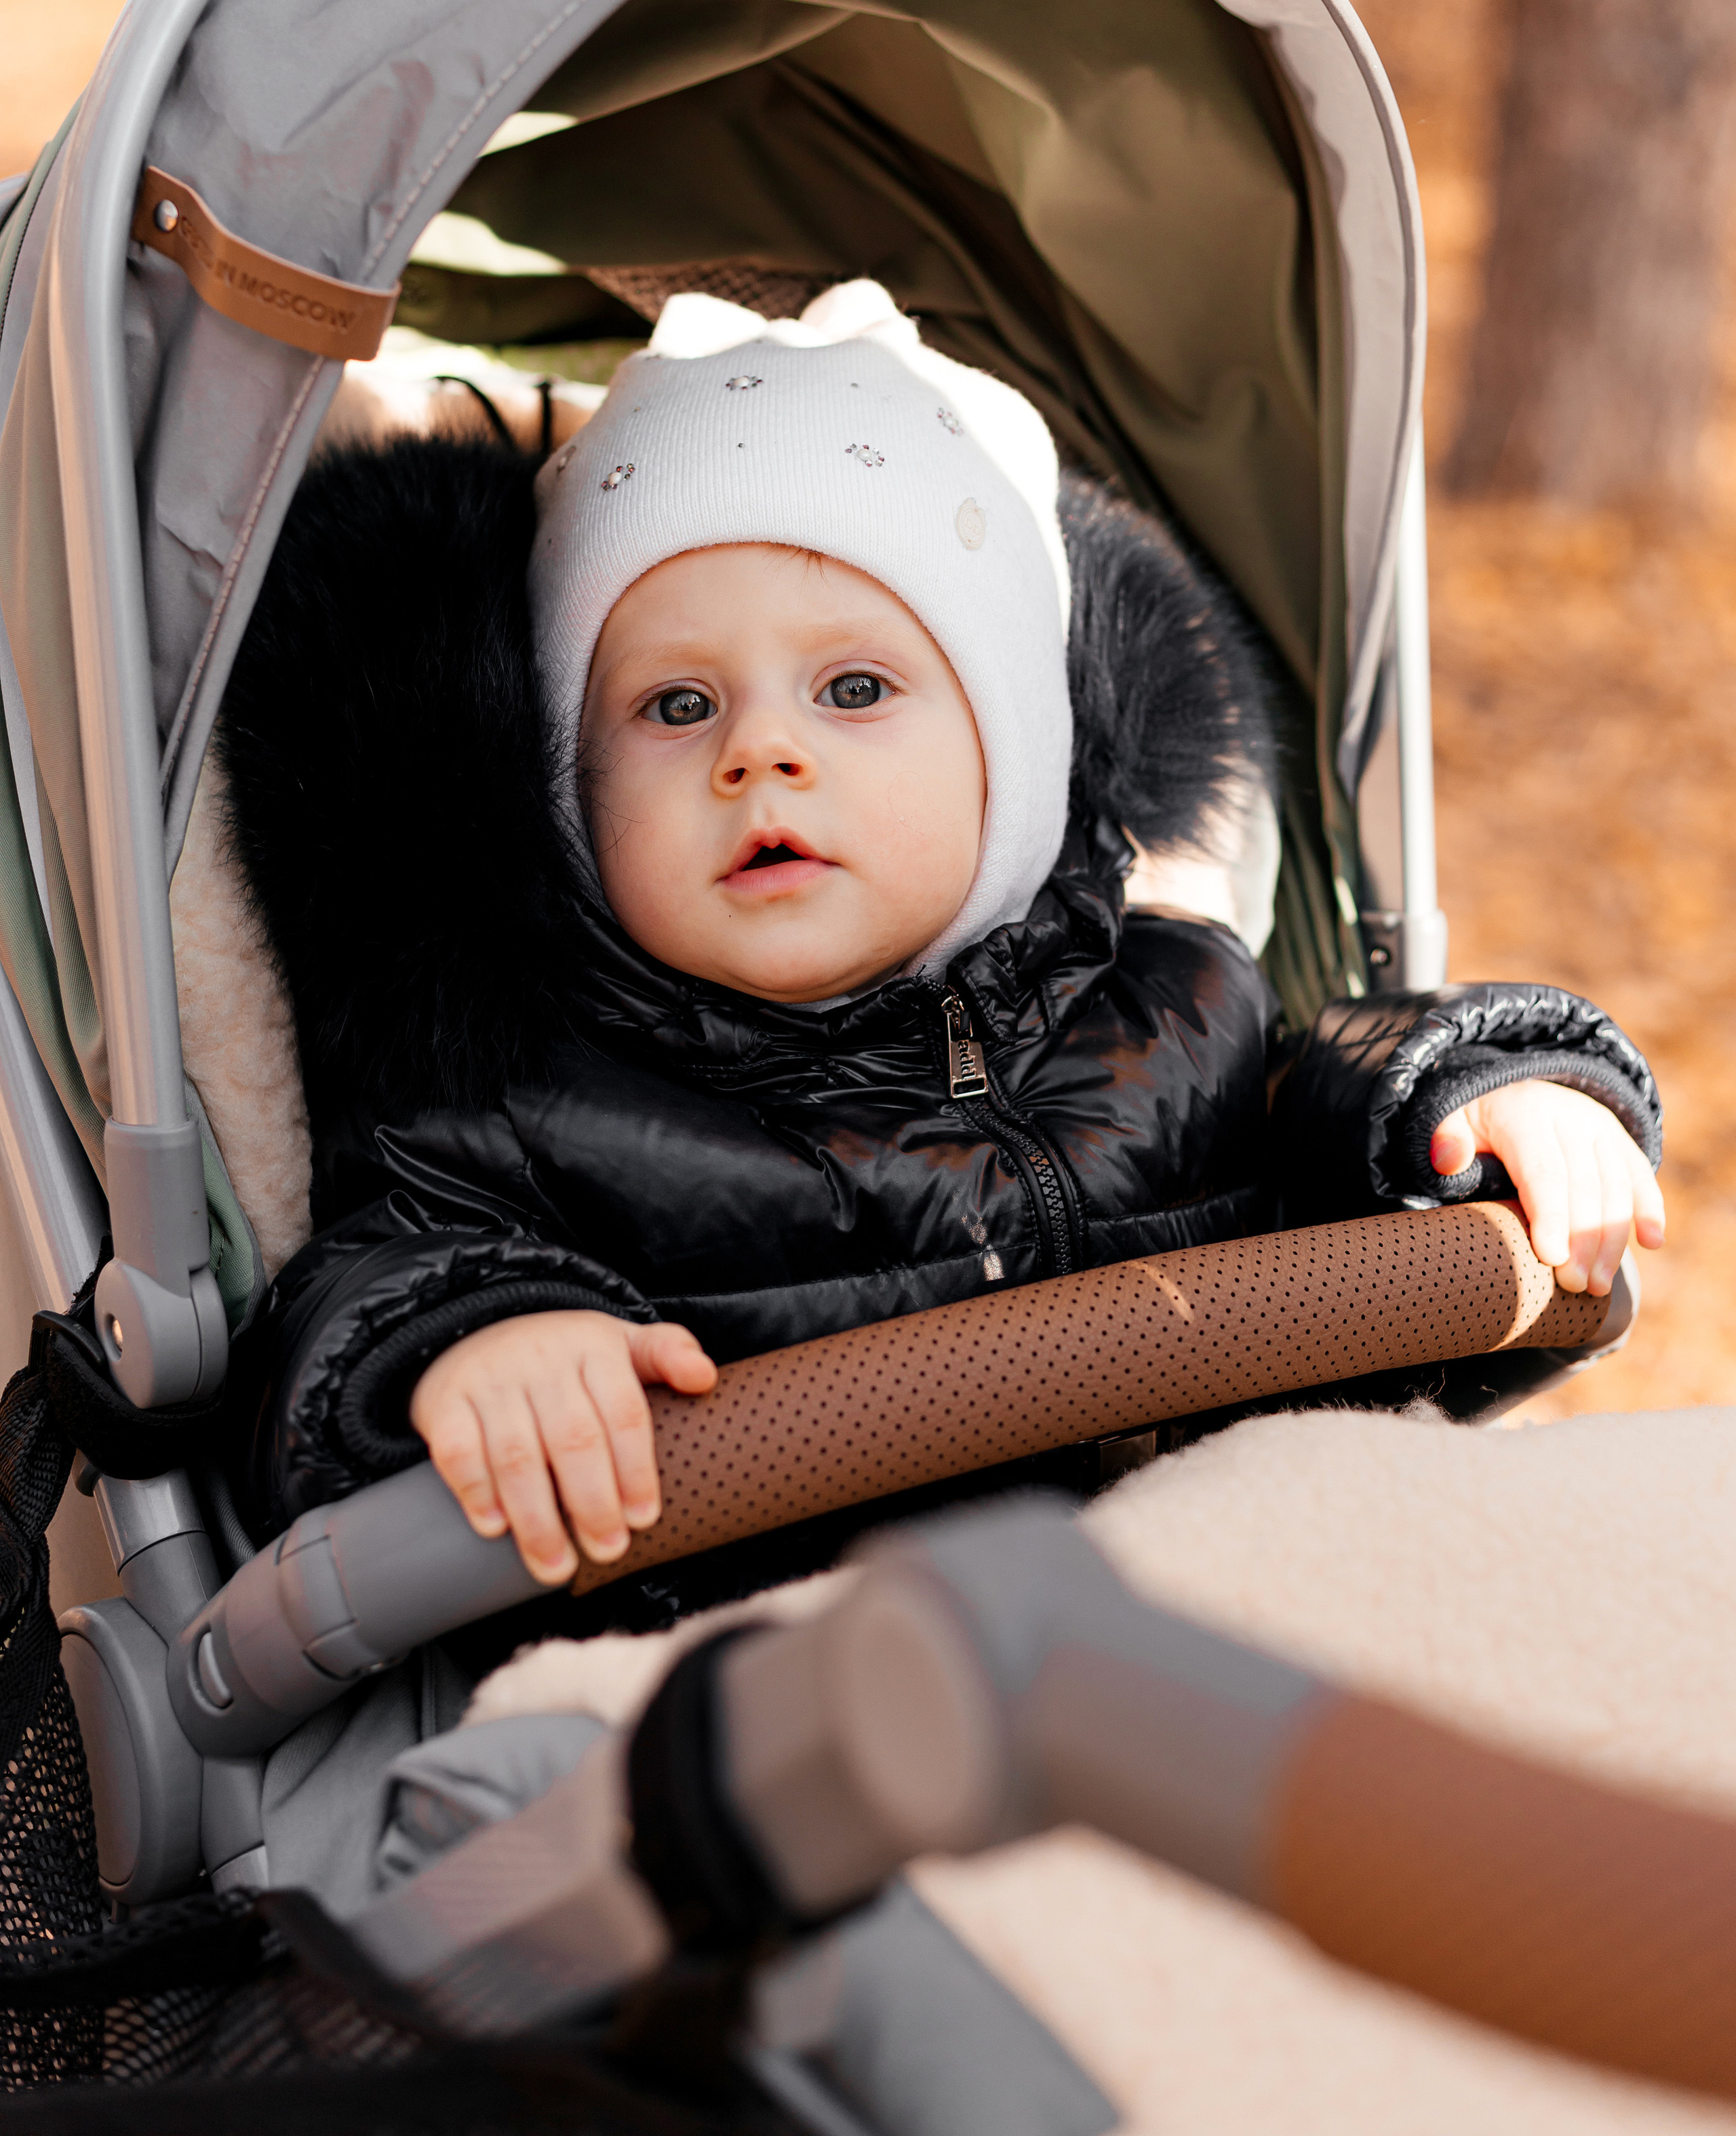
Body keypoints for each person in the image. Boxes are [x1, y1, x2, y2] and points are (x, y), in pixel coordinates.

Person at [233, 284, 1663, 1610]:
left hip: (1204, 1620)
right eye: (676, 707)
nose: (761, 753)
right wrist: (468, 1344)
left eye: (852, 688)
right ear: (560, 789)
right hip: (770, 1685)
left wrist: (1487, 1093)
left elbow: (1336, 1093)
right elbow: (355, 1289)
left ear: (1010, 763)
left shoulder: (1169, 1000)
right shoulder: (524, 1095)